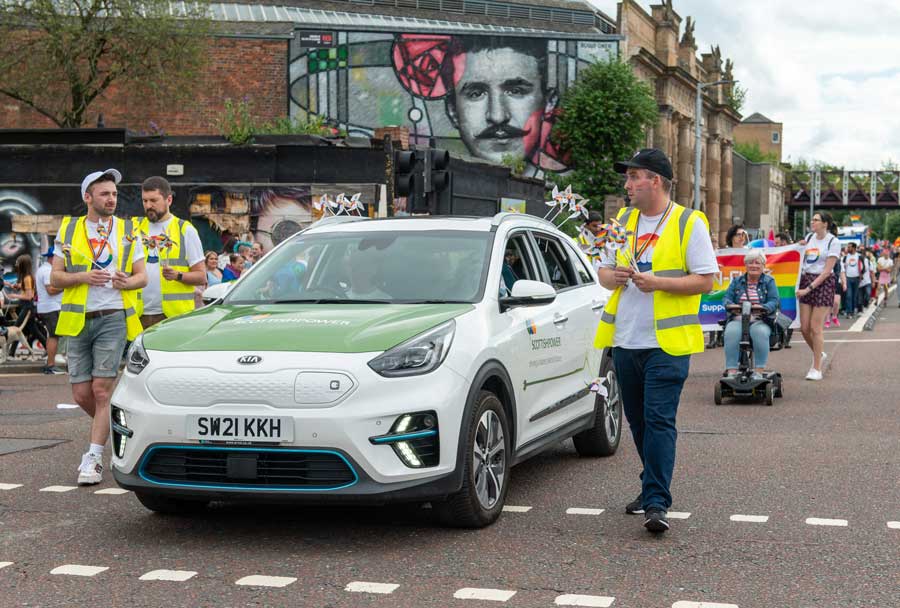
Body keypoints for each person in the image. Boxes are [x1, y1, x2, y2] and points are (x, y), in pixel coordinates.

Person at [594, 148, 717, 534]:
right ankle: (651, 485)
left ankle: (656, 502)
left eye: (634, 177)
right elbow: (602, 270)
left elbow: (706, 280)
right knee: (638, 422)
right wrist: (611, 276)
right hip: (626, 339)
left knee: (659, 420)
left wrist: (657, 283)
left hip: (668, 343)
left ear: (656, 181)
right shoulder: (624, 220)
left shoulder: (687, 222)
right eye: (627, 177)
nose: (627, 185)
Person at [50, 169, 147, 485]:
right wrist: (82, 277)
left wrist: (126, 281)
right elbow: (55, 278)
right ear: (87, 197)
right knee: (81, 394)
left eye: (115, 194)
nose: (112, 199)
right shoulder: (69, 229)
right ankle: (119, 431)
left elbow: (141, 277)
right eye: (105, 194)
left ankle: (92, 458)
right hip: (79, 320)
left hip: (113, 318)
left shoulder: (128, 230)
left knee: (101, 391)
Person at [442, 37, 558, 177]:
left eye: (516, 91)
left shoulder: (570, 191)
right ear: (452, 111)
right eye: (476, 93)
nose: (498, 116)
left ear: (548, 103)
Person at [137, 176, 206, 329]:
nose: (148, 205)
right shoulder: (135, 228)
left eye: (153, 200)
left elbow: (201, 276)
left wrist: (178, 275)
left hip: (175, 318)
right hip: (138, 315)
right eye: (144, 201)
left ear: (169, 200)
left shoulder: (185, 230)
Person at [796, 211, 840, 381]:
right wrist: (798, 246)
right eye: (812, 219)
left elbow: (828, 271)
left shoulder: (833, 242)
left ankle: (816, 368)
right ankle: (819, 353)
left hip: (823, 283)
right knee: (804, 328)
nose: (812, 222)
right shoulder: (808, 238)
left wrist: (808, 289)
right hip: (806, 278)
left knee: (816, 327)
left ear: (825, 224)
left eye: (816, 220)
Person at [722, 251, 779, 376]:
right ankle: (731, 369)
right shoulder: (737, 281)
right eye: (750, 262)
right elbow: (726, 298)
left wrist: (763, 307)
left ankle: (759, 370)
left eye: (757, 263)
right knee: (731, 332)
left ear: (763, 266)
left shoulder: (769, 281)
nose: (754, 265)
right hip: (739, 318)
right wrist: (731, 306)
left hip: (760, 319)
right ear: (745, 265)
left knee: (759, 333)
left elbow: (774, 301)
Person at [35, 248, 65, 374]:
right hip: (51, 307)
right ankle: (51, 365)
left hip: (47, 307)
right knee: (54, 336)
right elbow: (51, 290)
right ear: (52, 258)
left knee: (51, 336)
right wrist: (67, 287)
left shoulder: (43, 269)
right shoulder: (48, 271)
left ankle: (50, 363)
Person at [841, 242, 861, 318]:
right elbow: (842, 268)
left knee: (854, 296)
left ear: (854, 248)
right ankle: (849, 312)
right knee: (849, 295)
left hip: (856, 278)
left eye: (849, 247)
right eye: (847, 247)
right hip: (848, 278)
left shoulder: (859, 256)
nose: (848, 248)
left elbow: (863, 267)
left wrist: (860, 276)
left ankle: (852, 311)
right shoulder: (845, 257)